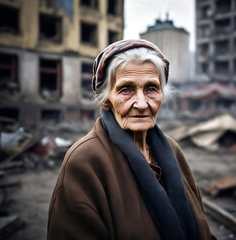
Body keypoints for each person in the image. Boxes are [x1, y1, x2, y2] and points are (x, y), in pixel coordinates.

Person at [47, 39, 215, 240]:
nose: (142, 103)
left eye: (151, 88)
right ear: (105, 99)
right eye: (126, 89)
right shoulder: (84, 160)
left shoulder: (172, 150)